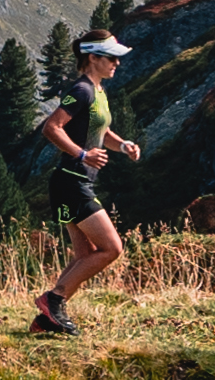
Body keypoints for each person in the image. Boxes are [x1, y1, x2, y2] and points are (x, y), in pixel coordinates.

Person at [26, 28, 141, 336]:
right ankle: (54, 300)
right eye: (111, 58)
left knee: (85, 255)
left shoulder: (98, 91)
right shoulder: (82, 90)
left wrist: (123, 145)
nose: (116, 64)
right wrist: (82, 155)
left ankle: (46, 320)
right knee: (112, 248)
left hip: (74, 182)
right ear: (92, 58)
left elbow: (100, 132)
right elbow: (52, 128)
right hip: (72, 181)